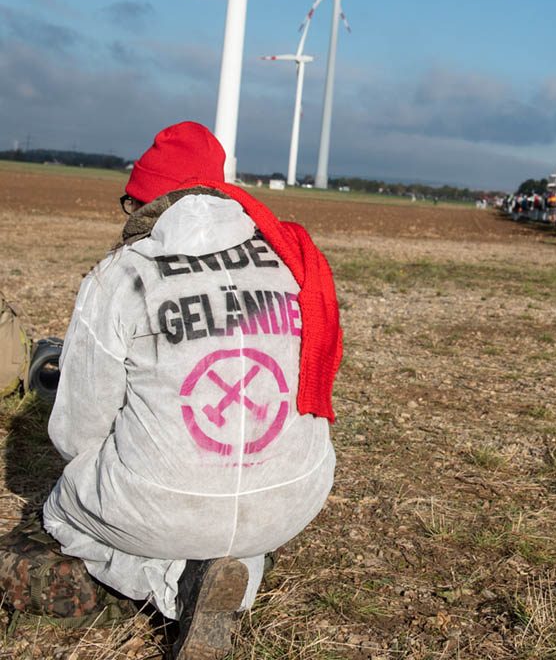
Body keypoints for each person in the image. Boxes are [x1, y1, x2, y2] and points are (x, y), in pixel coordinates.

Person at [2, 122, 340, 658]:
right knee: (221, 527)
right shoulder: (291, 262)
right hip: (292, 497)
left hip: (162, 508)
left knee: (39, 536)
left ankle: (170, 588)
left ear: (143, 199)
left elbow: (78, 430)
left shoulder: (122, 275)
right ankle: (233, 570)